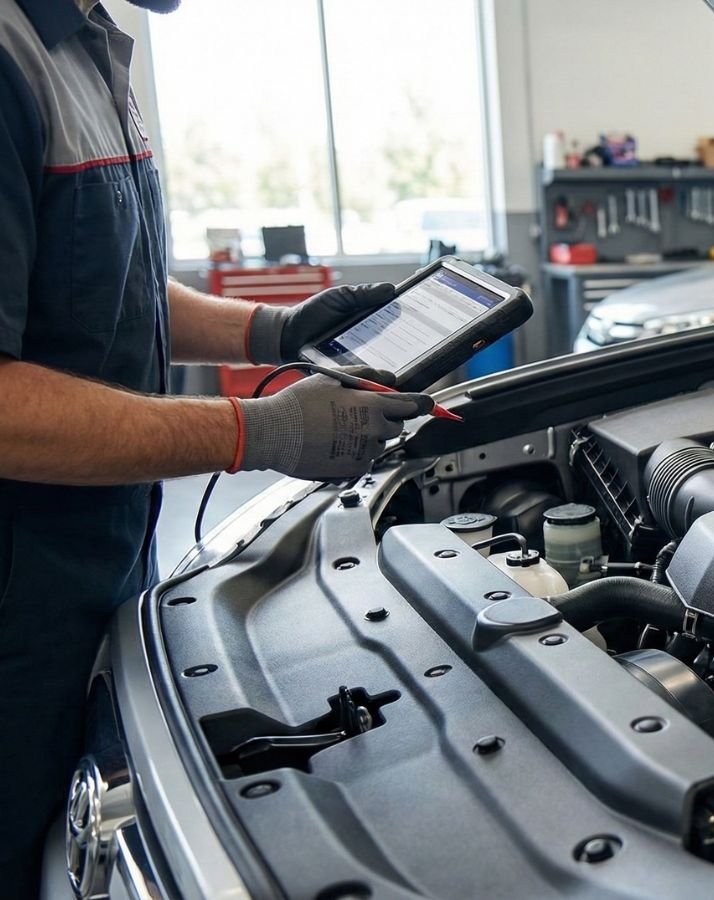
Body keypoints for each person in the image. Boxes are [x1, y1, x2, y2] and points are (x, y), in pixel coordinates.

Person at [0, 0, 435, 890]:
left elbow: (107, 284)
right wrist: (261, 431)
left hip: (98, 562)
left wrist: (275, 330)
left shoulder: (88, 46)